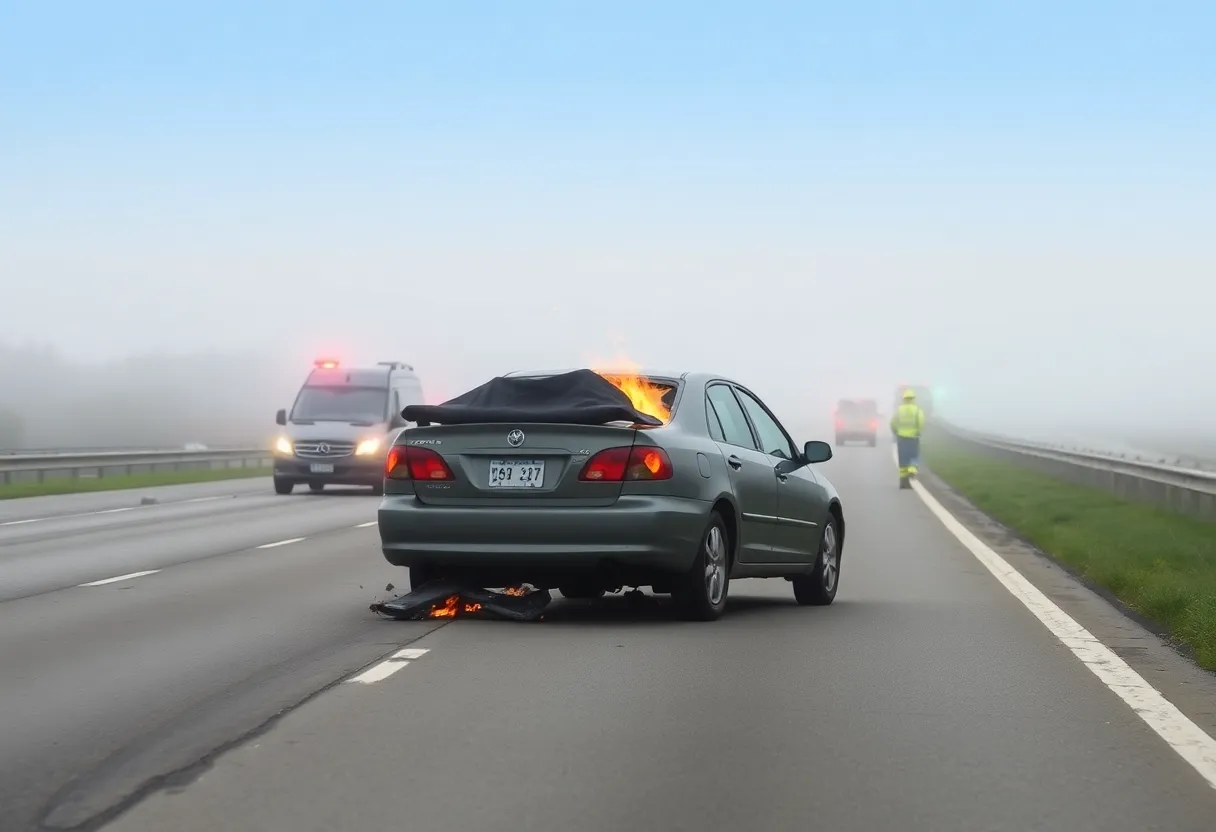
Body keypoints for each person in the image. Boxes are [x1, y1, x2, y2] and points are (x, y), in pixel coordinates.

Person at [891, 388, 926, 489]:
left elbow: (893, 423)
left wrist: (895, 431)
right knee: (913, 456)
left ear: (904, 398)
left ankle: (903, 482)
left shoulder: (899, 410)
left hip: (901, 437)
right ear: (914, 398)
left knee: (903, 459)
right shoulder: (917, 410)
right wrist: (918, 431)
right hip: (913, 438)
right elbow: (921, 422)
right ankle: (912, 470)